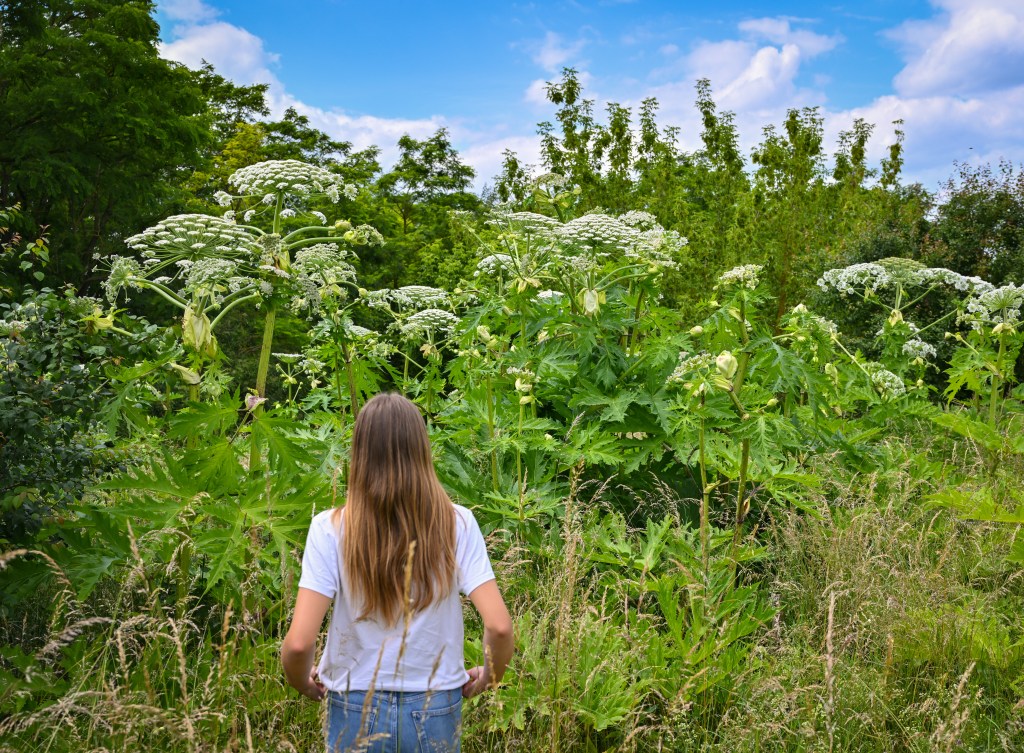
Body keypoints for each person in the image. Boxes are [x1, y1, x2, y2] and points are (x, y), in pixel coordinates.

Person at [281, 392, 514, 752]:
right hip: (435, 704)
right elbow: (499, 626)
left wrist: (303, 682)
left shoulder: (329, 528)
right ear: (422, 450)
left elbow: (298, 644)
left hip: (353, 701)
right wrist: (488, 675)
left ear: (359, 454)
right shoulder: (458, 523)